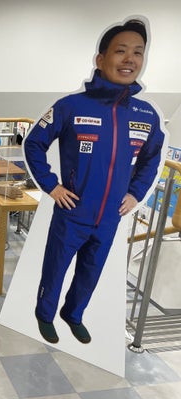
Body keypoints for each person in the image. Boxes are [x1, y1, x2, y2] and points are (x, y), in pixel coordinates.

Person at [24, 18, 165, 345]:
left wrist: (135, 193)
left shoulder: (145, 115)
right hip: (73, 211)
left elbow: (151, 158)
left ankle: (73, 314)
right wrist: (52, 185)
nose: (130, 59)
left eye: (138, 52)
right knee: (56, 268)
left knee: (91, 271)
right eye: (121, 51)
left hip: (110, 216)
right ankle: (44, 314)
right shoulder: (71, 106)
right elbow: (34, 144)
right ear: (100, 59)